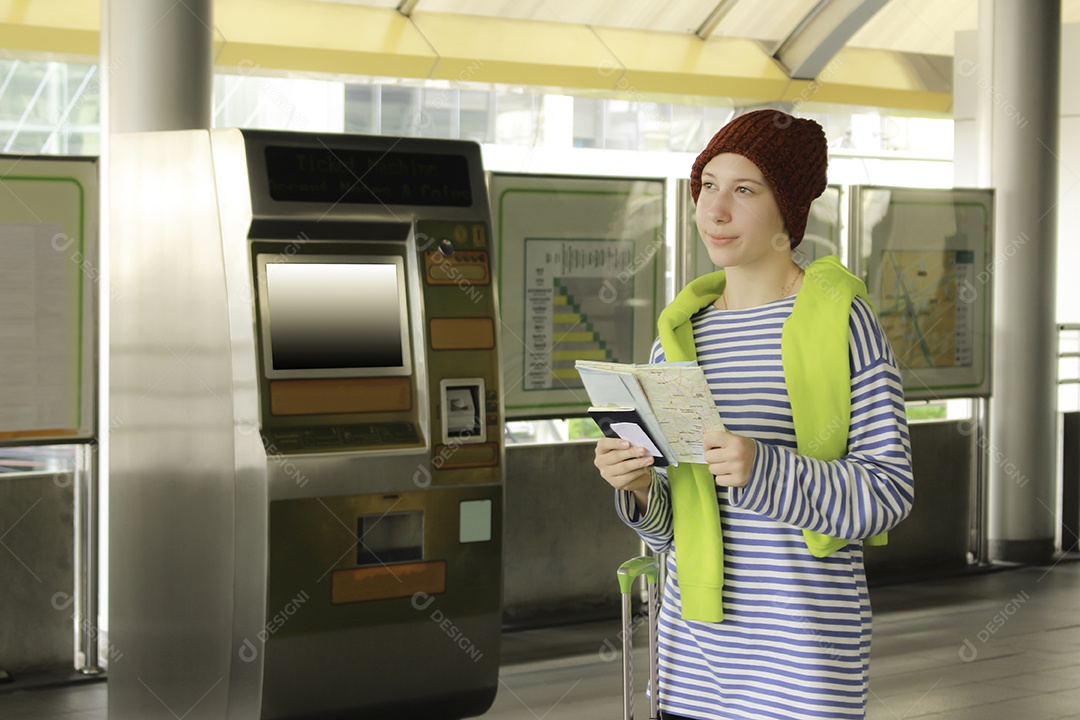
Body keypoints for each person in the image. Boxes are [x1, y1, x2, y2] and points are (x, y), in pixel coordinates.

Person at [594, 108, 914, 720]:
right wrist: (637, 489)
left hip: (805, 669)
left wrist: (763, 468)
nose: (715, 210)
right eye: (708, 186)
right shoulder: (678, 341)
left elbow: (889, 492)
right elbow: (677, 528)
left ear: (787, 210)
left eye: (744, 190)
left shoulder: (843, 324)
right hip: (691, 668)